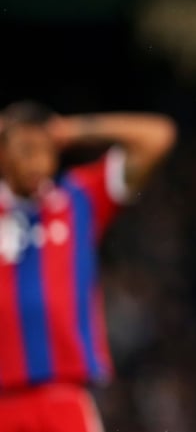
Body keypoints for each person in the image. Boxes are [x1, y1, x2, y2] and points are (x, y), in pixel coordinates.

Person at [0, 99, 176, 432]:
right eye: (25, 149)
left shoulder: (77, 198)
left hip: (63, 397)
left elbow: (158, 136)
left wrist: (71, 129)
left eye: (44, 149)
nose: (37, 161)